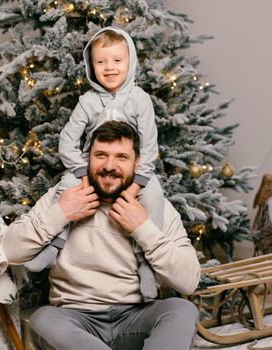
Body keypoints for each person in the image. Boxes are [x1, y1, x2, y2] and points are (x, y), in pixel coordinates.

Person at [2, 121, 201, 350]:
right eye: (101, 155)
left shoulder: (155, 207)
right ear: (88, 159)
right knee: (42, 318)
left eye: (121, 157)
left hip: (136, 316)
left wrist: (143, 228)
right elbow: (8, 250)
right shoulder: (64, 196)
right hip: (75, 319)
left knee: (182, 309)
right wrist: (61, 213)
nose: (109, 165)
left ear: (137, 164)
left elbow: (189, 282)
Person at [24, 26, 164, 302]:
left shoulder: (139, 100)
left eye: (117, 61)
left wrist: (136, 186)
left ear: (130, 62)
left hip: (132, 173)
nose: (109, 68)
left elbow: (149, 146)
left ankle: (146, 263)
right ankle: (55, 244)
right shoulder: (88, 102)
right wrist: (81, 173)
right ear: (91, 66)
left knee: (155, 195)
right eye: (101, 62)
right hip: (92, 171)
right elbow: (67, 140)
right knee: (66, 188)